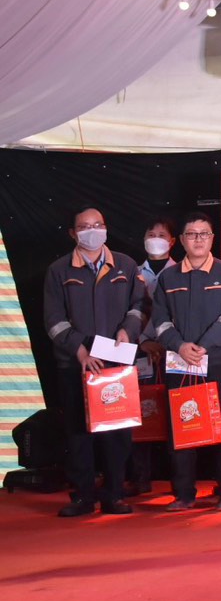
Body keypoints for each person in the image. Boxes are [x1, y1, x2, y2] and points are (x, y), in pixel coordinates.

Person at [43, 205, 147, 516]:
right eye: (85, 227)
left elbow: (140, 306)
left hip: (115, 364)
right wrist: (80, 351)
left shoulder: (126, 265)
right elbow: (53, 320)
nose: (93, 231)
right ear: (72, 233)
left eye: (98, 224)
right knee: (78, 432)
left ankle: (114, 494)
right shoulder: (58, 270)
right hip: (75, 364)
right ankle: (83, 497)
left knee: (118, 432)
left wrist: (128, 331)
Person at [151, 212, 221, 511]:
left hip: (217, 361)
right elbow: (160, 321)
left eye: (204, 234)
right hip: (180, 363)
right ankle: (183, 494)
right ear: (182, 240)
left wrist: (204, 346)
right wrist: (179, 346)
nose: (198, 239)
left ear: (212, 238)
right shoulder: (168, 278)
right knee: (182, 428)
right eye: (192, 234)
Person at [128, 215, 178, 497]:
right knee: (141, 410)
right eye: (151, 234)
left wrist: (167, 342)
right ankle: (140, 477)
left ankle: (180, 480)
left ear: (172, 241)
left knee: (175, 411)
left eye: (162, 235)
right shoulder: (132, 273)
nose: (156, 239)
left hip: (174, 351)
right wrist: (142, 342)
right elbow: (127, 313)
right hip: (141, 351)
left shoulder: (181, 271)